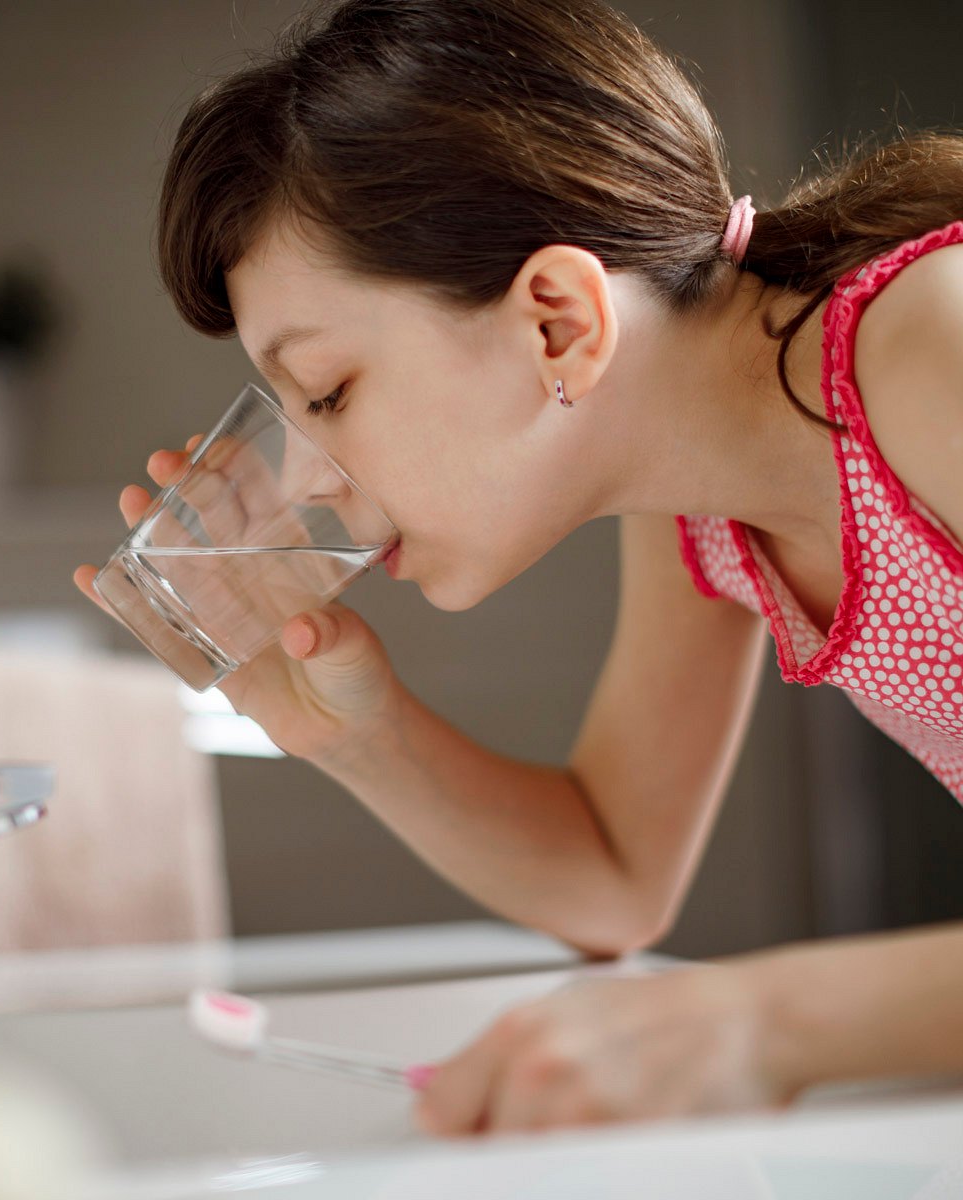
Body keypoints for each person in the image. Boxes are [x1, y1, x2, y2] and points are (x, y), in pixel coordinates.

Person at [75, 0, 963, 1135]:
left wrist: (762, 1020)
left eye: (329, 392)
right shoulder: (697, 506)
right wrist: (355, 732)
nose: (301, 482)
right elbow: (615, 879)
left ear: (556, 323)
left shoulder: (937, 341)